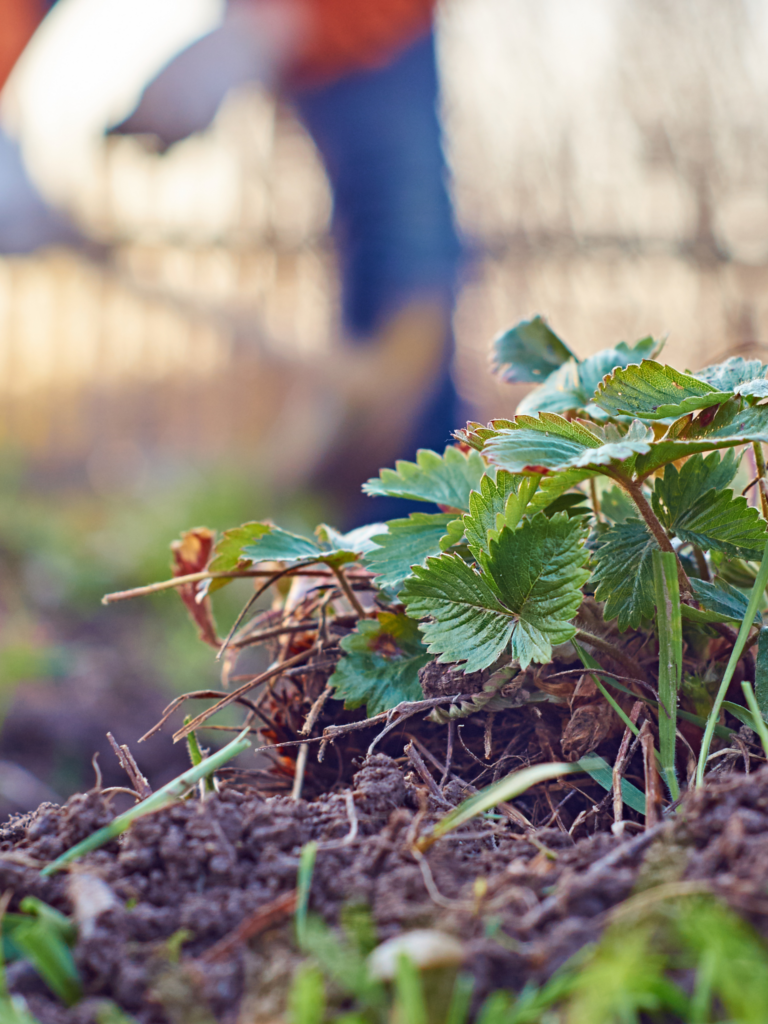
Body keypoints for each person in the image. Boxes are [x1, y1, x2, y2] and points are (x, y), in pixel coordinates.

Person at [113, 0, 464, 520]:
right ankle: (374, 531)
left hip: (378, 30)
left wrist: (283, 20)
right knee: (395, 249)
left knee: (404, 255)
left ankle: (404, 539)